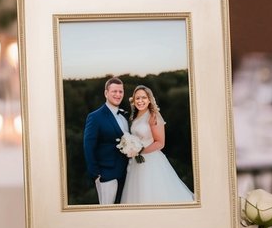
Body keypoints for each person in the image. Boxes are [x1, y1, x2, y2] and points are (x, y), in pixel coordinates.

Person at [120, 84, 194, 205]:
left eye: (143, 98)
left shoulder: (153, 116)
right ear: (133, 100)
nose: (140, 101)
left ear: (149, 99)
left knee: (152, 193)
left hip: (151, 161)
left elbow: (160, 143)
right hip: (136, 163)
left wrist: (139, 151)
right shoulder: (135, 116)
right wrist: (129, 146)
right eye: (137, 98)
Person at [83, 76, 130, 204]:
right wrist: (96, 174)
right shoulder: (95, 117)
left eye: (120, 91)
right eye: (114, 91)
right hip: (107, 174)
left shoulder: (125, 115)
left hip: (127, 174)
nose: (118, 94)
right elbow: (88, 146)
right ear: (106, 93)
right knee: (107, 213)